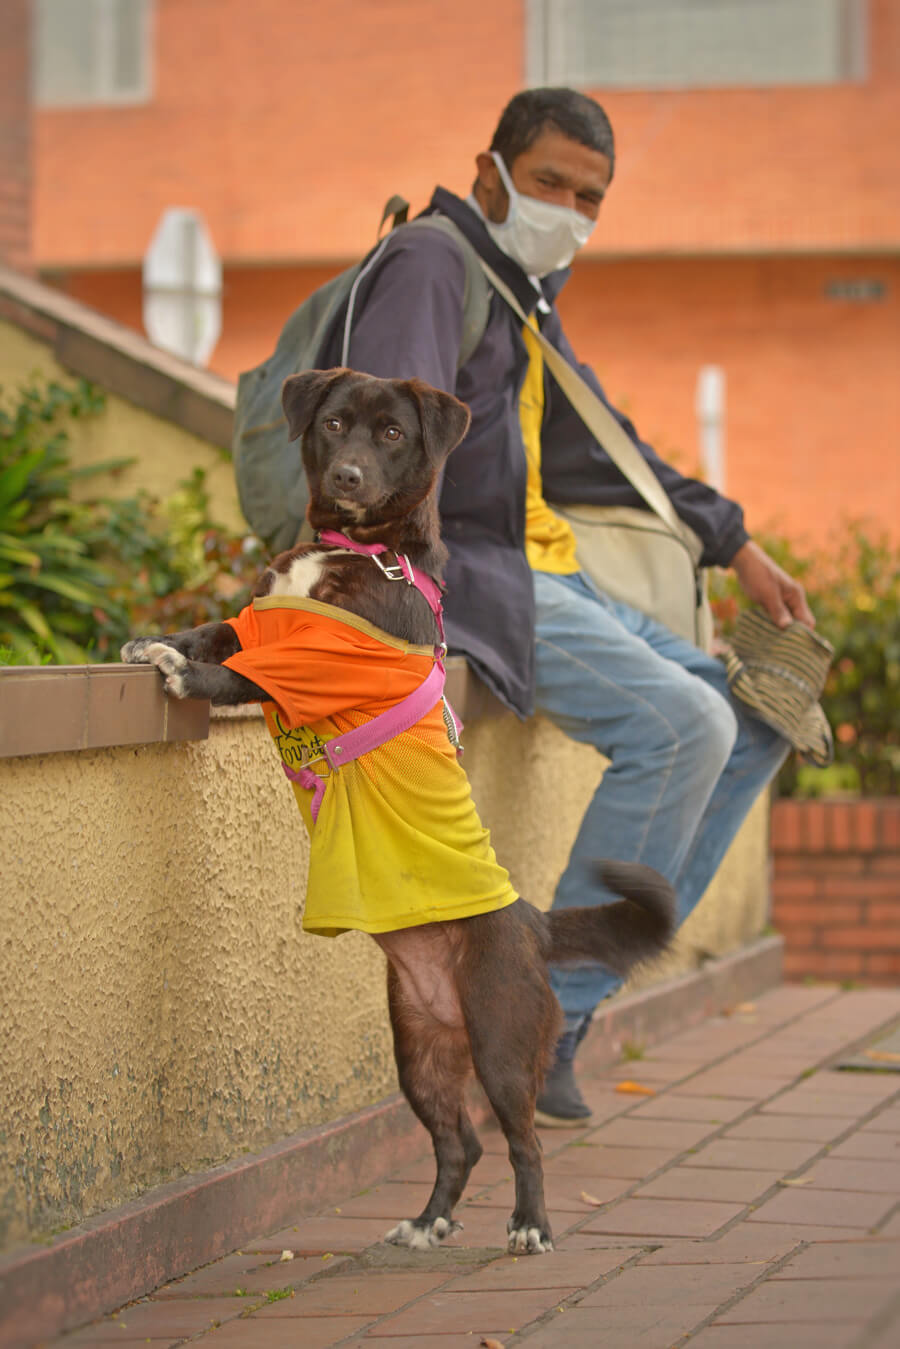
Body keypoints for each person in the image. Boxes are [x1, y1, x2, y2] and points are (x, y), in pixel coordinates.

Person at [317, 86, 814, 1125]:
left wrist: (735, 539)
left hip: (558, 570)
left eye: (591, 196)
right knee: (685, 724)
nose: (571, 211)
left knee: (762, 717)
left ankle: (563, 1012)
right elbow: (382, 427)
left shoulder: (517, 291)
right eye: (551, 183)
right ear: (490, 170)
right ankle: (550, 1013)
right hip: (490, 581)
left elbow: (605, 440)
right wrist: (394, 594)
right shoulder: (432, 264)